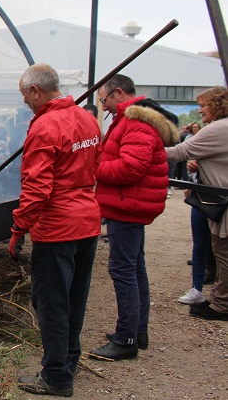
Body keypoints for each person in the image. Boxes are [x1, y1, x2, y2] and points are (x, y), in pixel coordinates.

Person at [10, 64, 102, 397]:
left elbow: (36, 189)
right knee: (75, 298)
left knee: (51, 302)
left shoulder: (45, 126)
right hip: (88, 222)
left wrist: (19, 228)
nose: (24, 102)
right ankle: (68, 361)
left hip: (58, 227)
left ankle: (57, 377)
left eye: (24, 95)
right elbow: (96, 166)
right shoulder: (87, 119)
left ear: (36, 90)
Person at [88, 74, 179, 361]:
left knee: (123, 270)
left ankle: (126, 339)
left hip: (128, 207)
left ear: (118, 93)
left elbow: (130, 169)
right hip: (131, 206)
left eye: (104, 100)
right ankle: (137, 331)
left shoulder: (136, 122)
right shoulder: (133, 119)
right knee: (135, 267)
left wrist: (93, 169)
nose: (104, 107)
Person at [165, 86, 228, 320]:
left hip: (223, 202)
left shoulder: (219, 128)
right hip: (220, 200)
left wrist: (142, 151)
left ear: (217, 105)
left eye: (203, 105)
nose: (199, 110)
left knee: (222, 252)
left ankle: (222, 306)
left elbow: (179, 151)